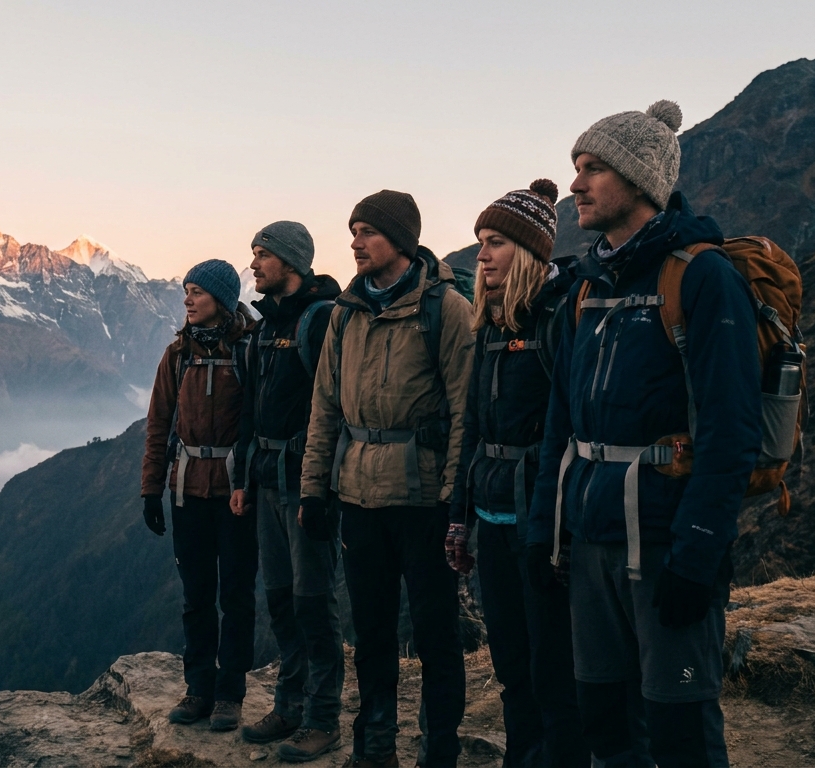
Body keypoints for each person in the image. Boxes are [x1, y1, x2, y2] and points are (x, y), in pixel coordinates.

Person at [525, 101, 761, 767]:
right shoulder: (585, 289)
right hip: (590, 545)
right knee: (605, 726)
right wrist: (544, 529)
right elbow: (560, 428)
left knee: (679, 729)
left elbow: (730, 429)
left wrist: (699, 555)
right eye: (577, 167)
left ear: (639, 181)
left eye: (593, 168)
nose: (575, 184)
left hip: (664, 546)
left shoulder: (703, 276)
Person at [298, 190, 474, 768]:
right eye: (353, 231)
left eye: (367, 231)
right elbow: (324, 407)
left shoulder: (443, 309)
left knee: (435, 635)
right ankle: (373, 751)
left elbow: (463, 412)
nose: (354, 242)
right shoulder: (345, 314)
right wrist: (314, 491)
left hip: (424, 501)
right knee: (370, 635)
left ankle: (437, 752)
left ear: (400, 240)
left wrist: (455, 502)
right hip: (358, 499)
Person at [449, 179, 588, 767]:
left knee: (551, 661)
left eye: (497, 242)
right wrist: (458, 519)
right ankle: (522, 756)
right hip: (491, 514)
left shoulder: (559, 319)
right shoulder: (491, 328)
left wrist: (553, 528)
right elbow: (473, 430)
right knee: (510, 659)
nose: (481, 254)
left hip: (541, 524)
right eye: (481, 240)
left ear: (530, 252)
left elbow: (570, 432)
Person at [228, 221, 346, 761]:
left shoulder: (319, 320)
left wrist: (319, 488)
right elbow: (251, 409)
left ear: (291, 262)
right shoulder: (264, 326)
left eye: (262, 255)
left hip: (304, 485)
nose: (253, 264)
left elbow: (336, 407)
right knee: (280, 600)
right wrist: (240, 479)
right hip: (266, 483)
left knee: (313, 603)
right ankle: (289, 704)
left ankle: (323, 718)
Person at [141, 259, 258, 732]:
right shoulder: (178, 355)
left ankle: (229, 694)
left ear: (222, 300)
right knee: (196, 596)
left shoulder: (249, 353)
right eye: (186, 291)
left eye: (196, 292)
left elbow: (258, 423)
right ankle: (198, 690)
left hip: (234, 493)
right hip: (186, 489)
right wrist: (152, 489)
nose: (187, 300)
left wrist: (250, 483)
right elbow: (158, 425)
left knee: (236, 594)